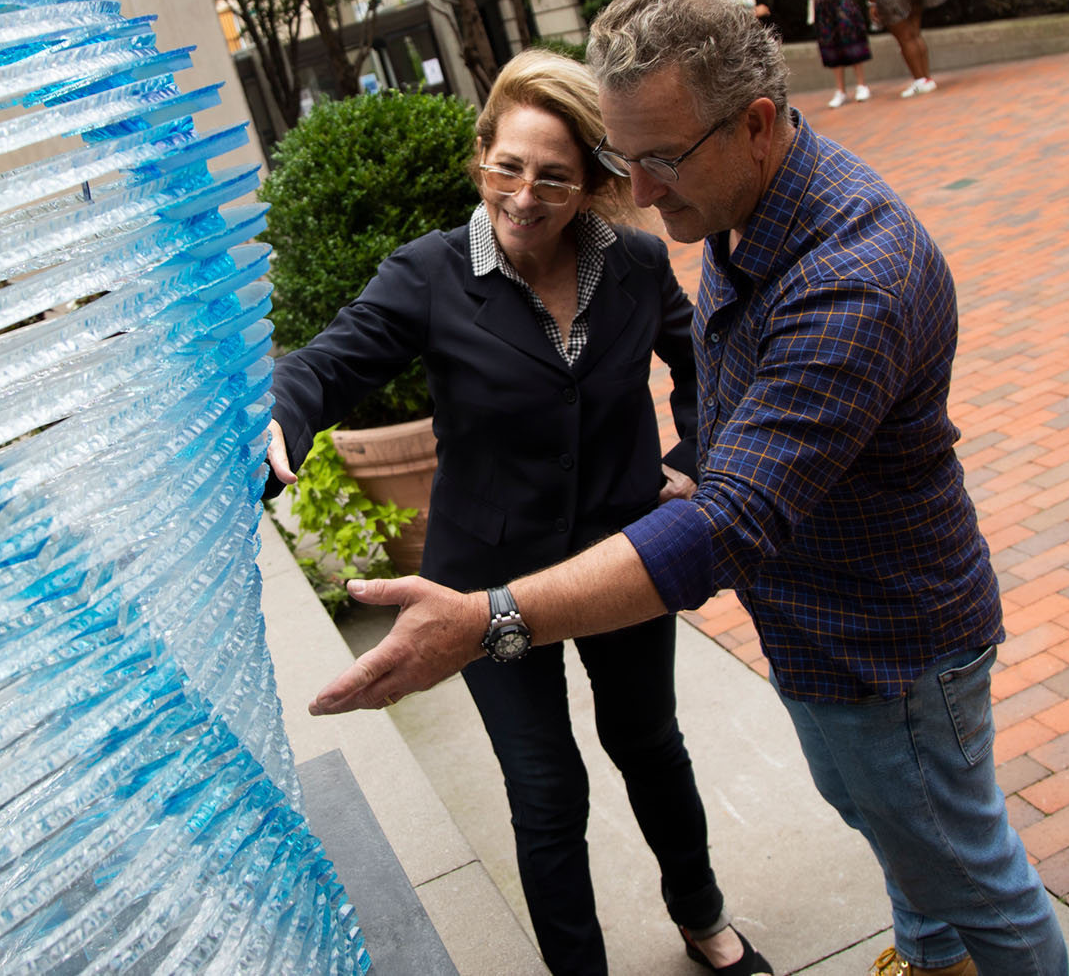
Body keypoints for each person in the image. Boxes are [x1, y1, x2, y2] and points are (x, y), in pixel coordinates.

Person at [310, 0, 1069, 976]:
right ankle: (932, 965)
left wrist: (490, 616)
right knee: (898, 835)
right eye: (625, 160)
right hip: (813, 630)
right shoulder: (741, 205)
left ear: (756, 122)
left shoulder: (848, 276)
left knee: (969, 872)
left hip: (886, 643)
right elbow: (714, 380)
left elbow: (730, 520)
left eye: (657, 160)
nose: (644, 191)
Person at [266, 49, 771, 976]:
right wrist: (280, 417)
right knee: (546, 788)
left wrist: (693, 457)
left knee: (648, 743)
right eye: (507, 165)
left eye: (553, 175)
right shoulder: (425, 275)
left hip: (619, 561)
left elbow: (707, 363)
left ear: (589, 181)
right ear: (480, 156)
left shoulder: (638, 264)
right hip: (481, 580)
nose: (525, 193)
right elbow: (325, 362)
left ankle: (702, 917)